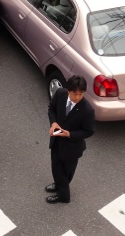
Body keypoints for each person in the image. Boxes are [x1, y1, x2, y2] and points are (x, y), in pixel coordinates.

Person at [45, 75, 95, 203]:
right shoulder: (60, 94)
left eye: (81, 94)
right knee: (56, 167)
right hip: (56, 141)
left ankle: (64, 196)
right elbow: (52, 109)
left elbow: (89, 131)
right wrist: (53, 123)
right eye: (74, 93)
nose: (77, 97)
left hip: (72, 148)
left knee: (66, 172)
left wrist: (70, 134)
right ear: (68, 90)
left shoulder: (87, 110)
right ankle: (58, 184)